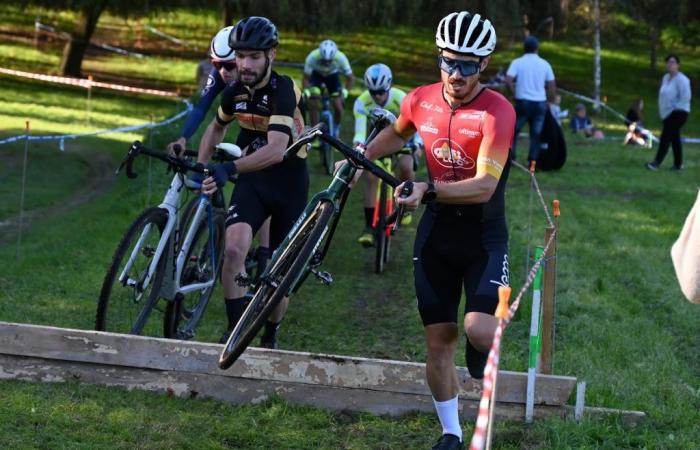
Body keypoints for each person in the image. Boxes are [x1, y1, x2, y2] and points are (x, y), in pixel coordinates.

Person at [357, 11, 514, 449]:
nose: (456, 74)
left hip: (483, 234)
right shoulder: (421, 98)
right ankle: (451, 431)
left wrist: (428, 188)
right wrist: (360, 156)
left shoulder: (497, 111)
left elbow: (485, 186)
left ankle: (478, 350)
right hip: (437, 235)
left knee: (479, 330)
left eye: (467, 65)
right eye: (448, 61)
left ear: (483, 65)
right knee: (437, 339)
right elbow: (396, 132)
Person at [197, 16, 307, 349]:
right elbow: (216, 128)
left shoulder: (283, 90)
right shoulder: (234, 93)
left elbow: (276, 151)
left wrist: (228, 169)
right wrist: (202, 170)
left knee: (276, 284)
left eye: (254, 57)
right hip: (254, 179)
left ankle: (270, 333)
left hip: (288, 184)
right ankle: (236, 335)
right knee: (233, 251)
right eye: (240, 56)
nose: (245, 64)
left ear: (271, 55)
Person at [167, 26, 272, 287]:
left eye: (228, 66)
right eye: (217, 65)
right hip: (238, 125)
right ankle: (204, 240)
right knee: (203, 176)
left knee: (261, 184)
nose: (224, 72)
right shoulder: (222, 76)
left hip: (267, 131)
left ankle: (265, 257)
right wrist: (184, 140)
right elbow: (203, 110)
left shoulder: (260, 79)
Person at [353, 63, 422, 246]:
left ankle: (405, 206)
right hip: (377, 141)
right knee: (371, 179)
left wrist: (418, 145)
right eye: (373, 92)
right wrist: (358, 145)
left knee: (407, 166)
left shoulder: (402, 99)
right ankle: (368, 227)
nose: (378, 96)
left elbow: (416, 125)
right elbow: (360, 131)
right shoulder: (361, 102)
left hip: (402, 139)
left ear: (389, 86)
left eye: (381, 92)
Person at [504, 35, 556, 163]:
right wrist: (550, 101)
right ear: (537, 48)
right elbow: (552, 84)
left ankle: (512, 158)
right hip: (540, 103)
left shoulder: (517, 62)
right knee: (536, 134)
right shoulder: (545, 64)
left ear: (524, 48)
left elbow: (508, 80)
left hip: (523, 102)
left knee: (514, 131)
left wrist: (514, 93)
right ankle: (532, 161)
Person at [646, 54, 691, 171]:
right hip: (667, 113)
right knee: (675, 138)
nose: (670, 65)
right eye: (668, 62)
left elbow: (686, 97)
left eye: (673, 62)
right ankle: (678, 164)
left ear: (678, 65)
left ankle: (656, 162)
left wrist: (676, 108)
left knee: (665, 136)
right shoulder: (665, 78)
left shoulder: (683, 80)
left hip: (679, 113)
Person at [303, 39, 355, 136]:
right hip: (316, 76)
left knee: (338, 105)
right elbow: (306, 78)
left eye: (329, 61)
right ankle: (314, 132)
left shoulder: (341, 58)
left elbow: (351, 78)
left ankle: (336, 129)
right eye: (324, 61)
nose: (327, 64)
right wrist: (306, 92)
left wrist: (345, 92)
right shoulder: (312, 57)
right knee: (313, 102)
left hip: (333, 77)